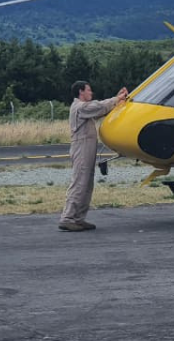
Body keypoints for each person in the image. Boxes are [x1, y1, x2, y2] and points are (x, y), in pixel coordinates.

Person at [59, 80, 127, 232]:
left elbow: (100, 111)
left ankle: (78, 218)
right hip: (81, 147)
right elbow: (99, 106)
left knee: (86, 183)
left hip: (86, 148)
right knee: (80, 182)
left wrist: (117, 99)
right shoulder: (80, 107)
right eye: (89, 90)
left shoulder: (84, 109)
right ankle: (68, 218)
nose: (91, 93)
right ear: (81, 92)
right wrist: (117, 99)